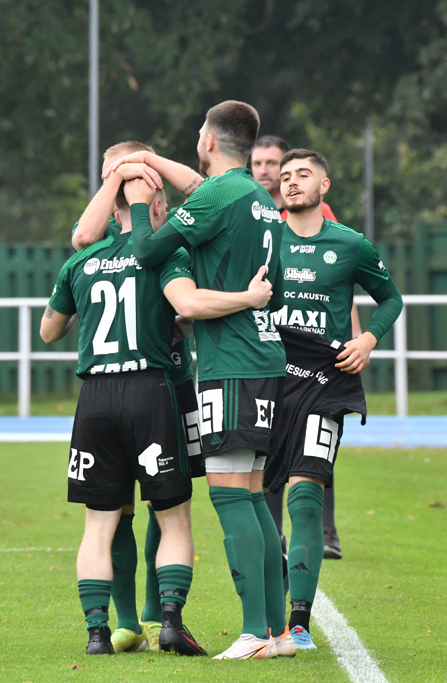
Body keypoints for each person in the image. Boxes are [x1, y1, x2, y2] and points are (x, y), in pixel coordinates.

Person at [42, 165, 274, 655]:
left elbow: (49, 331)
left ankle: (97, 633)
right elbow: (187, 307)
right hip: (150, 389)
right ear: (153, 206)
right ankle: (168, 620)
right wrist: (248, 298)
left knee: (99, 524)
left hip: (94, 398)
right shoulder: (165, 255)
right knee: (173, 515)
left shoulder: (79, 261)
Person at [104, 101, 294, 660]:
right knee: (254, 496)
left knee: (231, 498)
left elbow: (146, 250)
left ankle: (255, 634)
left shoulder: (217, 196)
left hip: (229, 362)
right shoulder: (258, 197)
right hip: (264, 357)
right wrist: (150, 161)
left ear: (209, 140)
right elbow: (200, 188)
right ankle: (278, 631)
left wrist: (142, 204)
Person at [71, 141, 207, 653]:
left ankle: (152, 611)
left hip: (173, 379)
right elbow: (81, 237)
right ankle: (129, 620)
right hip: (143, 382)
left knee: (163, 500)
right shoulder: (103, 229)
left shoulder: (171, 232)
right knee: (125, 506)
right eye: (113, 173)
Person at [266, 149, 402, 648]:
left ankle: (300, 620)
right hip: (267, 379)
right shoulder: (264, 239)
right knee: (260, 501)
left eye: (303, 174)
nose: (291, 182)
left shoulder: (350, 244)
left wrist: (367, 340)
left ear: (324, 185)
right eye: (285, 176)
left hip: (326, 383)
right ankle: (269, 601)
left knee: (305, 496)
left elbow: (391, 299)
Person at [253, 134, 351, 561]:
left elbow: (338, 282)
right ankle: (273, 536)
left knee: (315, 448)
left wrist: (357, 338)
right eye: (259, 163)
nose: (266, 171)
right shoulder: (256, 220)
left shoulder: (316, 215)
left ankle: (325, 531)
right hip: (271, 359)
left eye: (272, 163)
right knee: (270, 451)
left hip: (318, 361)